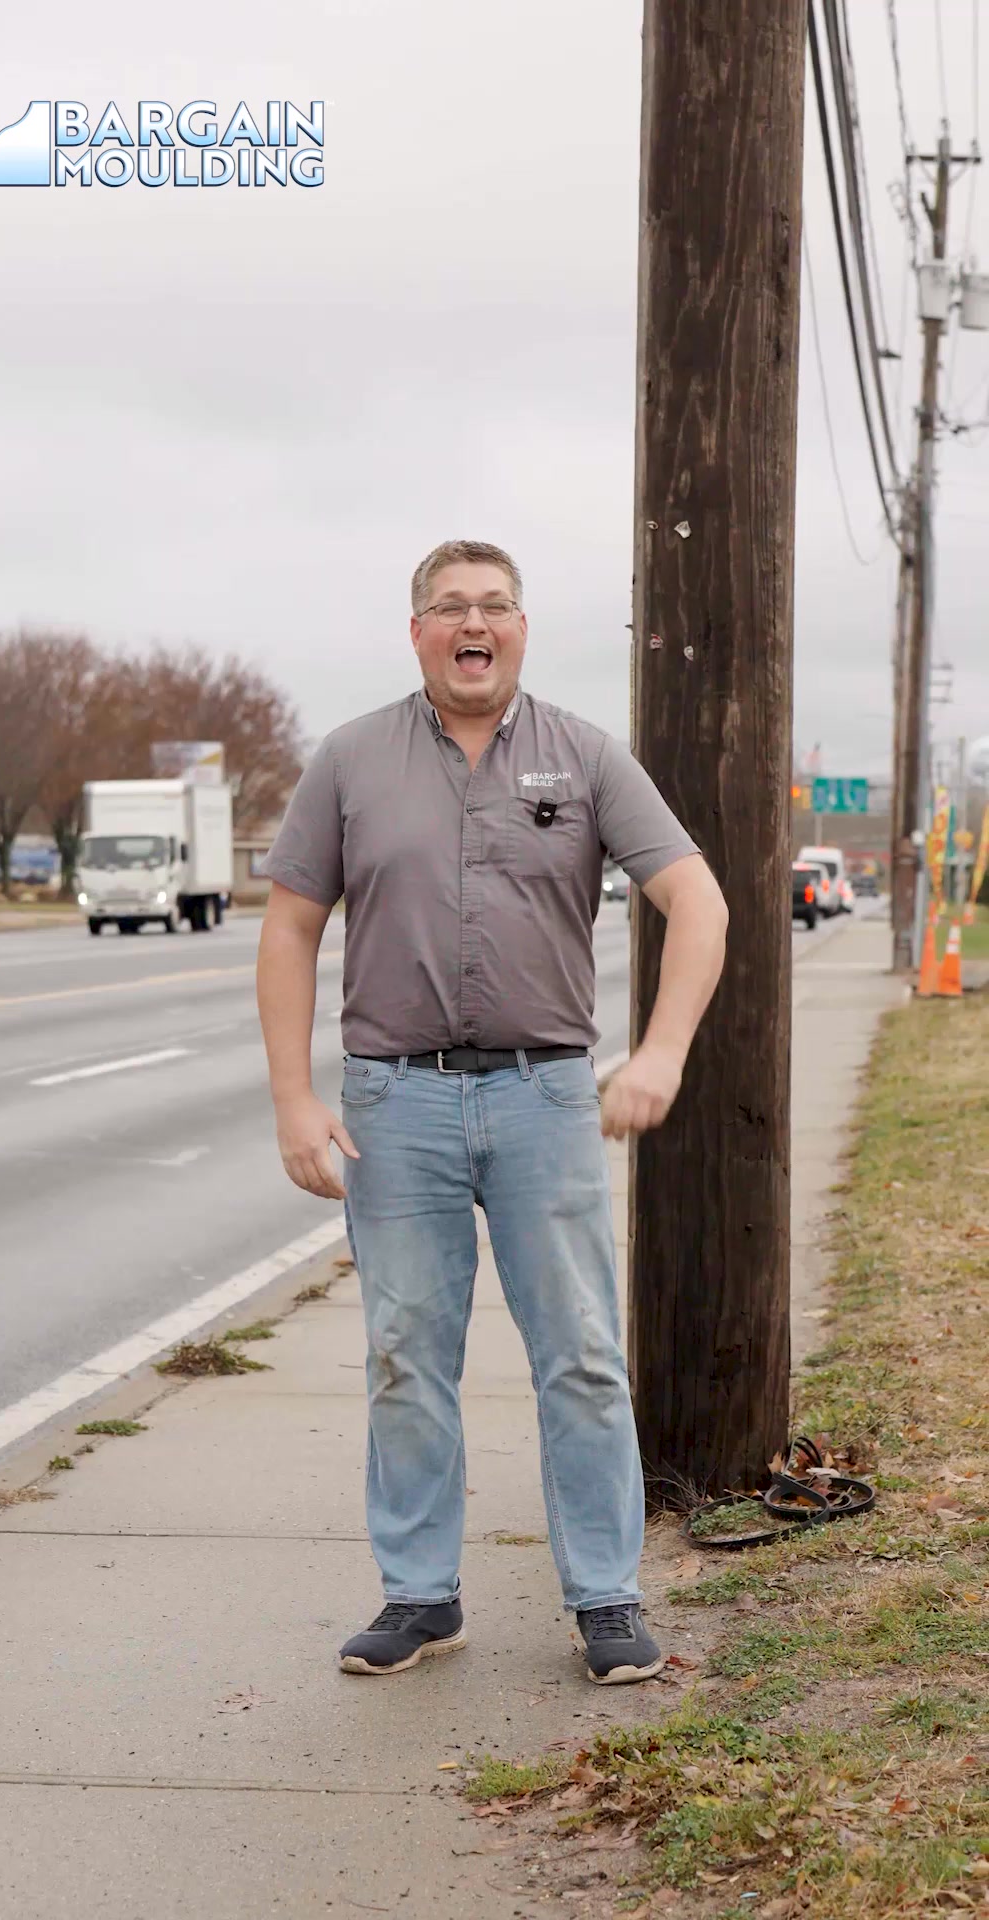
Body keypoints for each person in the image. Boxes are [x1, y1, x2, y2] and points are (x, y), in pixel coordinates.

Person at [256, 539, 728, 1685]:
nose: (476, 624)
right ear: (417, 631)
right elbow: (289, 928)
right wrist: (294, 1100)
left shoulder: (586, 756)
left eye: (497, 607)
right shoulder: (351, 760)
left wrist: (660, 1053)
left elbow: (696, 900)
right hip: (394, 1103)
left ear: (522, 628)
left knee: (580, 1354)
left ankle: (607, 1601)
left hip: (545, 1096)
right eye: (452, 608)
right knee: (404, 1353)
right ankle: (419, 1597)